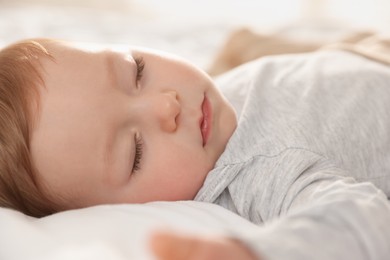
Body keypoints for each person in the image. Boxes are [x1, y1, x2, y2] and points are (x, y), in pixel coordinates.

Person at [0, 37, 390, 260]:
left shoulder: (205, 110)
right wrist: (255, 252)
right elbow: (361, 219)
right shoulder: (259, 172)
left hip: (355, 50)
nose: (166, 104)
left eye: (136, 70)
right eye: (134, 151)